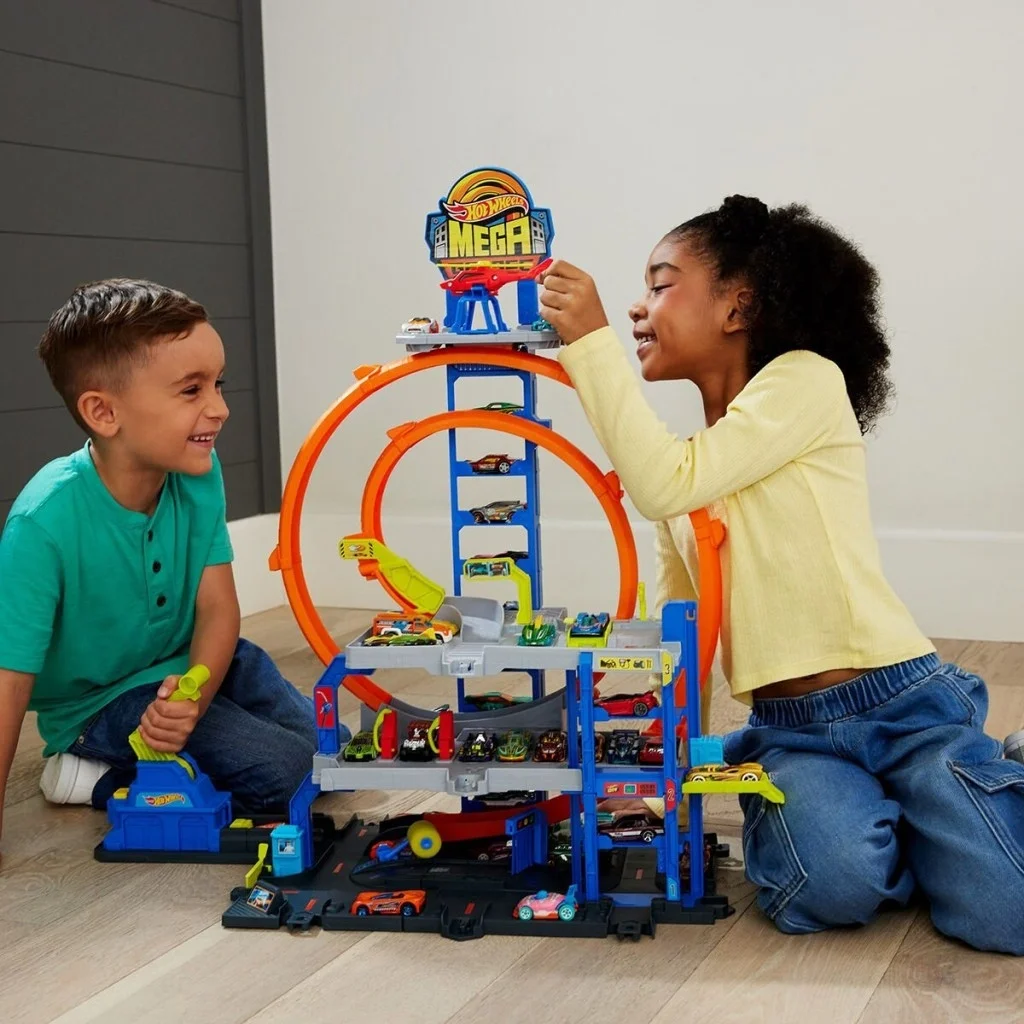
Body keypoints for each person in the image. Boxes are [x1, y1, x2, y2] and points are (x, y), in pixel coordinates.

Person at [539, 196, 1024, 956]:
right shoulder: (688, 473)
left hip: (900, 708)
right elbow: (684, 637)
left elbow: (661, 481)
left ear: (738, 306)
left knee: (1007, 911)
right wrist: (659, 773)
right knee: (828, 886)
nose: (636, 308)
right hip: (791, 733)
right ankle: (936, 829)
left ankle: (975, 789)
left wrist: (590, 343)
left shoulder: (806, 381)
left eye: (660, 285)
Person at [0, 279, 343, 858]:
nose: (220, 407)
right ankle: (90, 772)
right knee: (287, 776)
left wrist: (196, 700)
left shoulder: (198, 472)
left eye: (218, 383)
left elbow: (218, 609)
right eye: (191, 390)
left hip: (189, 666)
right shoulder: (43, 522)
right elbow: (9, 681)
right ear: (104, 412)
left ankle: (178, 749)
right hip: (101, 703)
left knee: (334, 751)